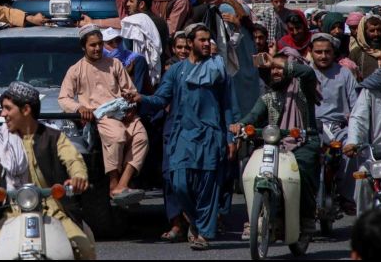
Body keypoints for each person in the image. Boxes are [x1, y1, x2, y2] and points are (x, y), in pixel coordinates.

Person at [140, 24, 235, 250]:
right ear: (190, 42)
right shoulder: (176, 71)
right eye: (201, 40)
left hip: (211, 136)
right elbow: (160, 99)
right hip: (182, 135)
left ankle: (203, 233)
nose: (206, 44)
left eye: (208, 40)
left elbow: (228, 106)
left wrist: (231, 138)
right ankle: (194, 219)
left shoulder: (219, 69)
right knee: (179, 183)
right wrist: (140, 98)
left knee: (208, 187)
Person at [0, 81, 95, 260]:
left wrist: (78, 177)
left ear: (25, 110)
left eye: (8, 108)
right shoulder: (3, 137)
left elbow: (73, 159)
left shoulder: (53, 136)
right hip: (12, 209)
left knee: (84, 248)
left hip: (53, 209)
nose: (3, 114)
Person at [231, 51, 320, 242]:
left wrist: (275, 61)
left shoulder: (304, 90)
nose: (275, 72)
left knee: (302, 171)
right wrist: (240, 125)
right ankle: (256, 217)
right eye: (272, 69)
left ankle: (306, 219)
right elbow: (253, 116)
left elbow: (308, 73)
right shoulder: (268, 98)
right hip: (275, 144)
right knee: (250, 167)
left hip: (305, 142)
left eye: (280, 68)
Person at [59, 25, 147, 199]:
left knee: (141, 137)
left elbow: (129, 89)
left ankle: (123, 184)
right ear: (84, 47)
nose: (97, 48)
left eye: (100, 44)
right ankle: (113, 184)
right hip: (102, 116)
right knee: (117, 136)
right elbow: (64, 99)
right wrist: (80, 108)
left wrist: (131, 103)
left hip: (123, 112)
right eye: (93, 45)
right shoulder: (76, 70)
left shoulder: (114, 64)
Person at [344, 43, 381, 214]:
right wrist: (353, 141)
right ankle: (363, 227)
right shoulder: (370, 87)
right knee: (362, 179)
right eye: (380, 58)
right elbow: (359, 117)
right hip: (377, 153)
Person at [310, 33, 359, 212]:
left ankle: (346, 196)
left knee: (350, 150)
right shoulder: (305, 73)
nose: (323, 56)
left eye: (327, 52)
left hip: (338, 128)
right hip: (312, 129)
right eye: (318, 52)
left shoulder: (344, 73)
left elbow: (356, 104)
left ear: (333, 53)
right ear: (311, 53)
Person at [102, 27, 150, 94]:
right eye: (110, 43)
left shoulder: (135, 59)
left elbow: (138, 90)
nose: (115, 45)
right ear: (102, 46)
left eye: (118, 41)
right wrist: (123, 73)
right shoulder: (99, 63)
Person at [350, 14, 381, 79]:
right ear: (364, 32)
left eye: (379, 30)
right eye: (372, 31)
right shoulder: (356, 53)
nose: (376, 34)